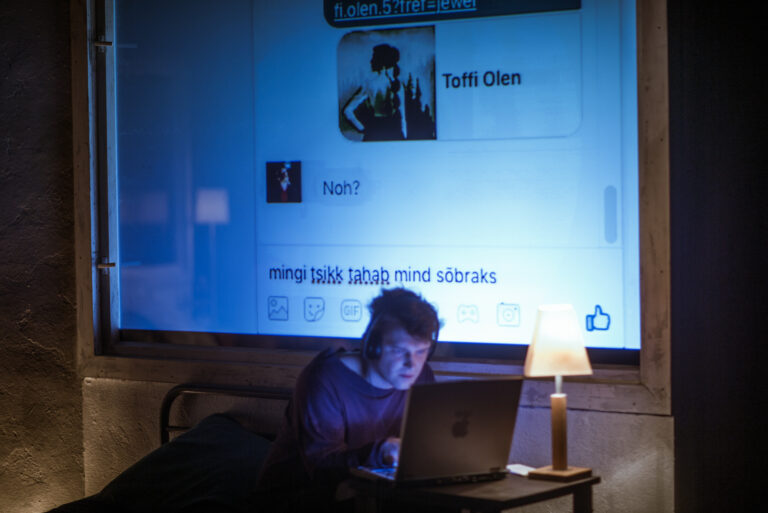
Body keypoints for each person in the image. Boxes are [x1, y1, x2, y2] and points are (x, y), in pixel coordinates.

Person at [256, 288, 440, 512]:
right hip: (298, 498)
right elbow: (322, 469)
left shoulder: (421, 376)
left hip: (372, 495)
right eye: (399, 351)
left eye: (421, 351)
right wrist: (380, 452)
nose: (412, 364)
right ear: (372, 345)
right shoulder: (324, 379)